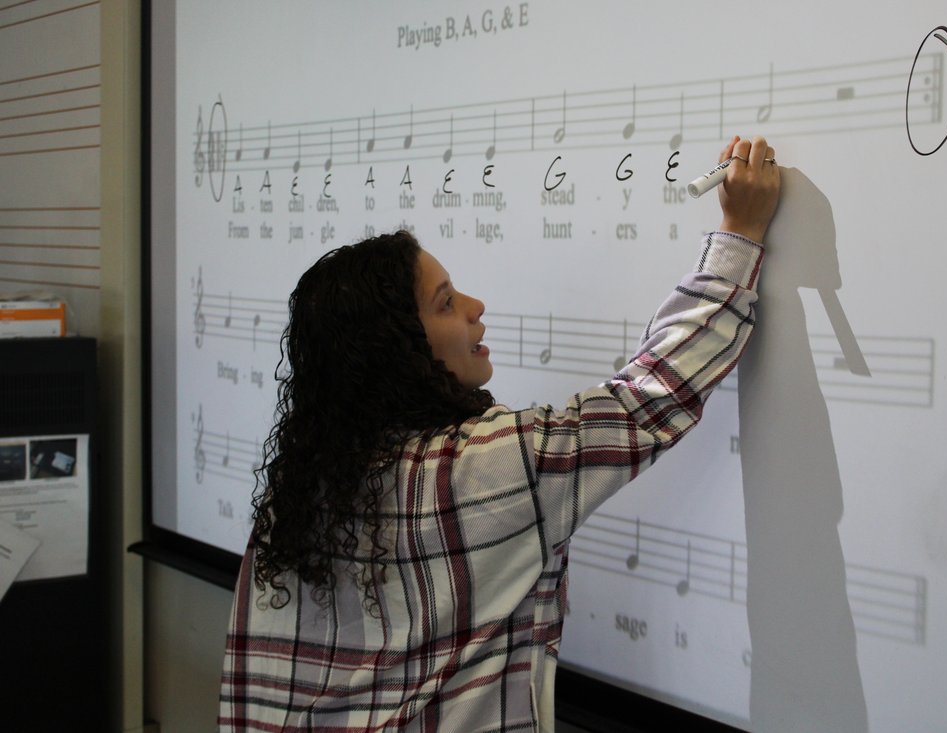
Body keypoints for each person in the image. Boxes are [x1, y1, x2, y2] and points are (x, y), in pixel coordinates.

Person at [219, 134, 781, 732]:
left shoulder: (297, 497)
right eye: (444, 304)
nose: (475, 305)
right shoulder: (485, 467)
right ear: (399, 353)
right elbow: (649, 398)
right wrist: (739, 234)